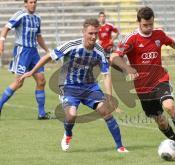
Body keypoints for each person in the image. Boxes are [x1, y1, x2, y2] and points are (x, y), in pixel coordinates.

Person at [20, 18, 129, 153]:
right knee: (71, 116)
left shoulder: (99, 51)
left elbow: (106, 74)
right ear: (83, 32)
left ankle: (120, 147)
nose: (93, 36)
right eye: (90, 33)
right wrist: (32, 71)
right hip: (69, 87)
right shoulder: (72, 46)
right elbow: (49, 56)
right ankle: (68, 134)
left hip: (90, 87)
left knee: (106, 112)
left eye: (96, 33)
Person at [110, 7, 175, 155]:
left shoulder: (159, 34)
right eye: (145, 25)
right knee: (160, 120)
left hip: (160, 79)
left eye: (151, 24)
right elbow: (114, 57)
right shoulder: (131, 38)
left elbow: (172, 42)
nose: (148, 28)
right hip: (142, 88)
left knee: (169, 105)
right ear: (138, 22)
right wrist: (127, 68)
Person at [0, 0, 52, 119]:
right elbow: (6, 28)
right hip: (22, 51)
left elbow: (38, 36)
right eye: (30, 2)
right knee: (19, 82)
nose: (33, 4)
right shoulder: (20, 15)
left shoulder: (37, 17)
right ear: (25, 3)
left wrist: (48, 51)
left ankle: (41, 113)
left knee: (41, 81)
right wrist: (1, 42)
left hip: (33, 52)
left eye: (34, 2)